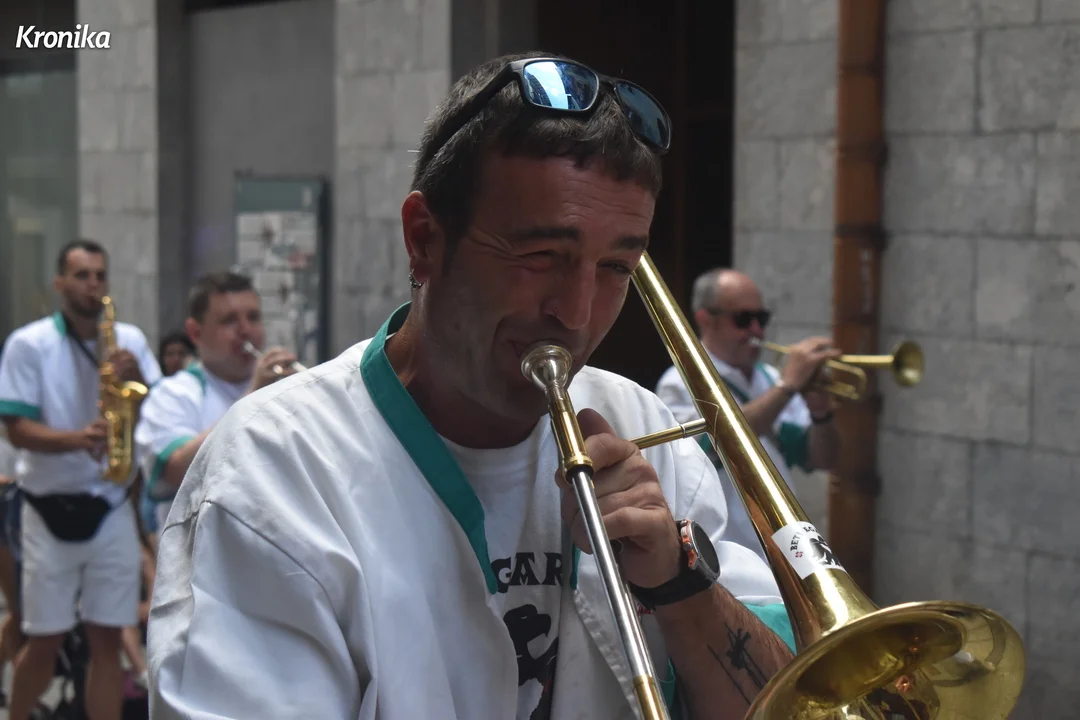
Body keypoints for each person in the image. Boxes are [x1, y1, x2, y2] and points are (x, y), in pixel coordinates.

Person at [148, 52, 796, 719]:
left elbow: (796, 703)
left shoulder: (645, 427)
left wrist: (679, 584)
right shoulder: (273, 472)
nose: (575, 315)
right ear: (424, 240)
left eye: (615, 268)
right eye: (540, 255)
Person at [0, 239, 162, 720]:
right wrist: (78, 439)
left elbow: (155, 410)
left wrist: (139, 381)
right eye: (81, 275)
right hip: (46, 506)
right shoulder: (29, 343)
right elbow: (16, 428)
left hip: (110, 503)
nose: (93, 285)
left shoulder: (129, 340)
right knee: (44, 637)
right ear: (59, 283)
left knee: (107, 640)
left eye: (100, 275)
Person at [655, 269, 842, 562]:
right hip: (727, 550)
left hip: (784, 542)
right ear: (706, 320)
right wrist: (788, 386)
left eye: (761, 319)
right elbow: (720, 440)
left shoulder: (769, 377)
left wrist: (822, 413)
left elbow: (821, 459)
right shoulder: (681, 382)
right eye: (743, 320)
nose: (757, 331)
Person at [135, 271, 298, 531]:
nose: (246, 331)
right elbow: (176, 470)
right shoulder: (172, 394)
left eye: (253, 318)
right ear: (195, 332)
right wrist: (252, 397)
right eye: (229, 321)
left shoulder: (283, 388)